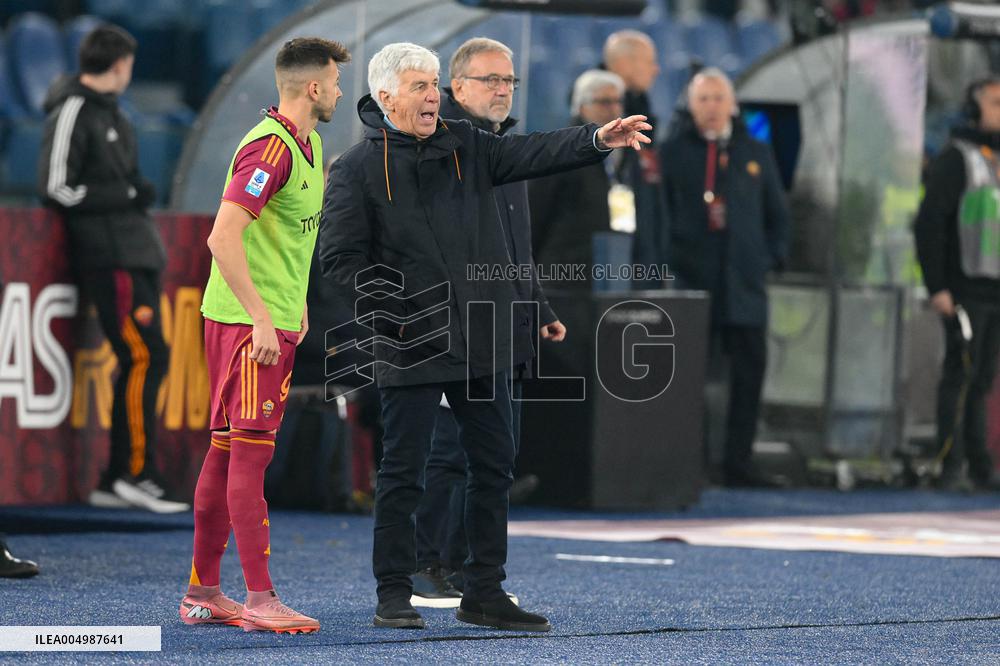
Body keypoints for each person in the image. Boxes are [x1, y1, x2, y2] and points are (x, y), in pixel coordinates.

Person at [319, 42, 649, 632]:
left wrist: (596, 139)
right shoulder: (354, 169)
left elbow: (534, 150)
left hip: (483, 340)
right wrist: (397, 314)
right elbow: (341, 264)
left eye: (433, 86)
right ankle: (393, 592)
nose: (432, 96)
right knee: (403, 473)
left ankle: (484, 591)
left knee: (494, 467)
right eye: (420, 87)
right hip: (410, 343)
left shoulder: (470, 145)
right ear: (386, 96)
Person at [180, 37, 350, 634]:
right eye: (332, 81)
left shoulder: (310, 144)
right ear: (312, 87)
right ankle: (259, 597)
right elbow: (222, 237)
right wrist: (259, 316)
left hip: (268, 318)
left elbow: (287, 243)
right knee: (250, 455)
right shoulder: (271, 151)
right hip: (247, 326)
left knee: (228, 451)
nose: (337, 90)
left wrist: (294, 302)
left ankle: (203, 592)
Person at [410, 37, 565, 607]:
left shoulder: (503, 150)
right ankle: (423, 566)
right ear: (455, 86)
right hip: (455, 329)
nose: (502, 89)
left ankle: (461, 568)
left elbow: (514, 249)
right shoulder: (434, 146)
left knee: (494, 455)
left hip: (506, 327)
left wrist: (539, 308)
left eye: (509, 81)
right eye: (490, 80)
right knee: (448, 449)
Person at [37, 25, 186, 514]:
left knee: (148, 358)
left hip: (135, 253)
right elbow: (56, 186)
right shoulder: (74, 108)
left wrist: (130, 193)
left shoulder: (118, 114)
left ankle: (118, 475)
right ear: (120, 64)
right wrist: (122, 195)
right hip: (108, 256)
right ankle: (131, 473)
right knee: (145, 357)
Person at [659, 68, 789, 486]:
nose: (712, 107)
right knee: (687, 378)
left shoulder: (756, 152)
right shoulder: (673, 152)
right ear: (691, 106)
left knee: (748, 376)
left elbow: (778, 215)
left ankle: (739, 461)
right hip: (692, 284)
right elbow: (661, 214)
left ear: (733, 105)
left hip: (746, 287)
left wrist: (766, 260)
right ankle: (689, 462)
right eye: (703, 99)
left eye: (719, 98)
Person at [914, 76, 1000, 492]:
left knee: (983, 378)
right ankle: (950, 463)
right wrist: (938, 286)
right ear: (973, 109)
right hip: (963, 286)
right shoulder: (956, 158)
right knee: (959, 375)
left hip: (996, 290)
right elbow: (930, 224)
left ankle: (981, 466)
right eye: (996, 103)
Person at [529, 69, 627, 290]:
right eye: (604, 102)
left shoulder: (626, 150)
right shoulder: (561, 149)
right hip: (564, 275)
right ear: (581, 106)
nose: (614, 110)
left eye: (617, 101)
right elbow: (536, 211)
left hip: (612, 270)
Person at [602, 30, 667, 285]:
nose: (656, 70)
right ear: (624, 65)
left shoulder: (643, 110)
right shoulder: (595, 116)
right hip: (606, 255)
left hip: (643, 251)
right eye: (649, 61)